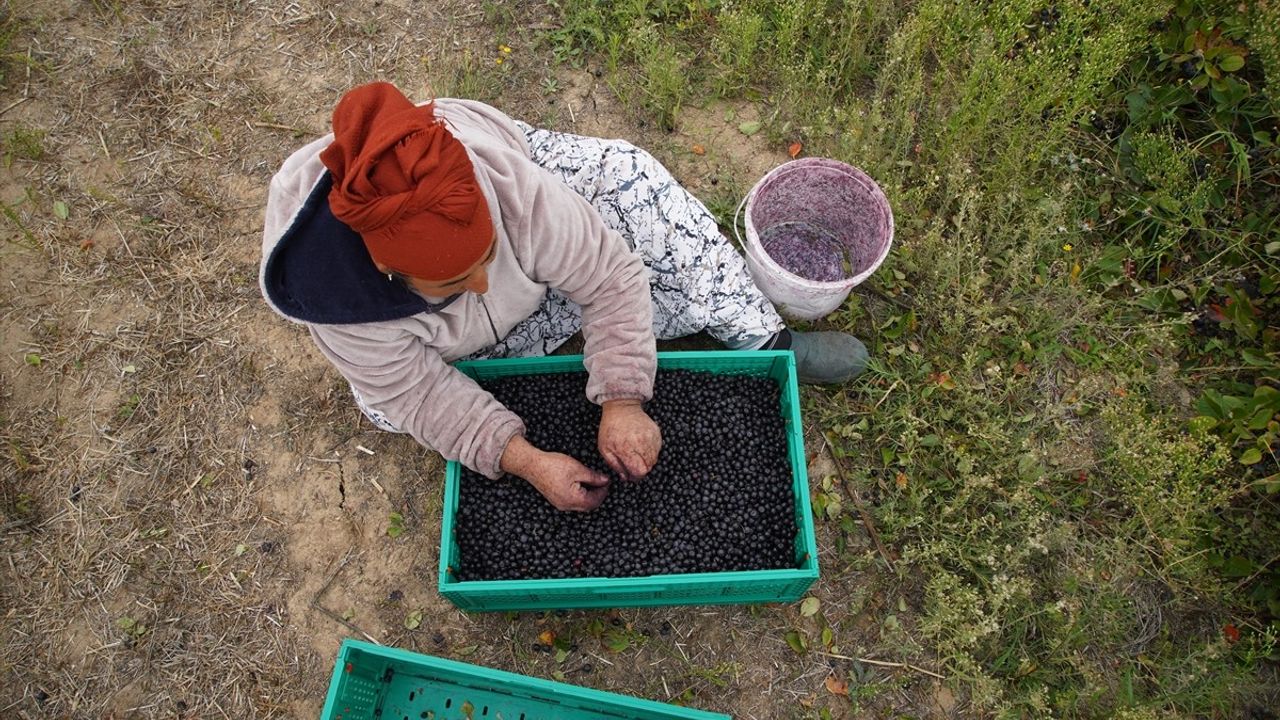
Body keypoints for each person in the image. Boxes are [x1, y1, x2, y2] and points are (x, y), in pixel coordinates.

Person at [259, 82, 866, 512]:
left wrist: (623, 400)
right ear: (387, 266)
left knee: (635, 186)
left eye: (483, 260)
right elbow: (416, 391)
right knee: (388, 406)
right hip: (432, 337)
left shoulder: (510, 190)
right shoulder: (339, 307)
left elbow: (608, 276)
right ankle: (551, 343)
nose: (477, 285)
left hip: (532, 195)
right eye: (452, 283)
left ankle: (765, 337)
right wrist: (524, 459)